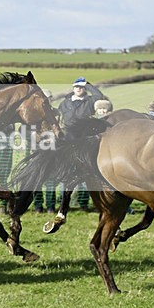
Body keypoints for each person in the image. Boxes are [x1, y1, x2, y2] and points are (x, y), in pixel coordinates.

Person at [58, 77, 106, 211]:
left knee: (86, 171)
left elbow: (99, 96)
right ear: (73, 88)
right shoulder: (65, 103)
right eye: (76, 86)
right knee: (67, 172)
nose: (79, 89)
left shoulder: (89, 101)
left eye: (81, 87)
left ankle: (83, 202)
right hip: (68, 141)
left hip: (85, 140)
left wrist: (88, 84)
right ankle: (63, 202)